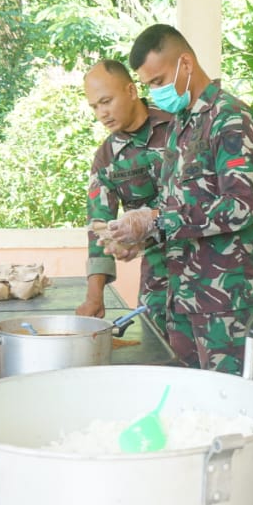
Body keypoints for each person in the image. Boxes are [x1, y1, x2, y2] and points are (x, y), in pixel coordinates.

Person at [106, 24, 253, 375]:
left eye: (159, 81)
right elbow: (175, 205)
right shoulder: (180, 125)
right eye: (149, 85)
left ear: (186, 64)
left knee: (227, 399)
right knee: (186, 397)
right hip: (181, 295)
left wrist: (157, 220)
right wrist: (143, 236)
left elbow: (240, 206)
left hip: (223, 301)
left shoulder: (230, 118)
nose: (154, 92)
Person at [75, 60, 174, 329]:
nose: (102, 113)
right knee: (156, 351)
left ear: (131, 91)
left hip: (210, 273)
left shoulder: (180, 126)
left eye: (106, 101)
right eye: (95, 107)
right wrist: (94, 296)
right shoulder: (107, 158)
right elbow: (99, 226)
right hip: (159, 281)